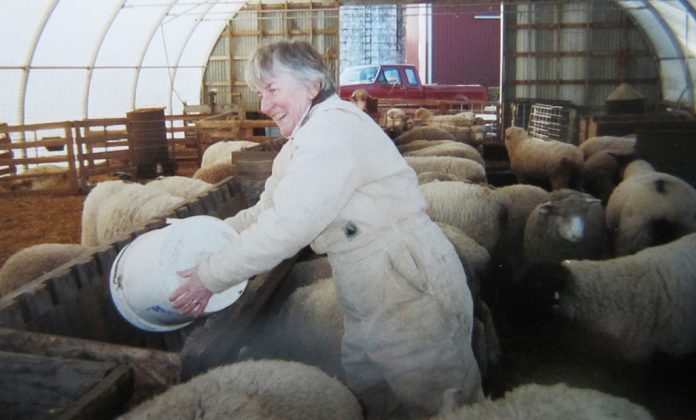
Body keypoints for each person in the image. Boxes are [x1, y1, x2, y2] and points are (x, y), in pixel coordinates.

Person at [169, 40, 484, 418]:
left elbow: (288, 226)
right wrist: (204, 238)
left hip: (406, 281)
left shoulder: (332, 131)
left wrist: (210, 276)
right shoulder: (302, 140)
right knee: (374, 393)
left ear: (312, 85)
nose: (264, 106)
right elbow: (266, 211)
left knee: (441, 401)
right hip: (365, 282)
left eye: (272, 90)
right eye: (259, 93)